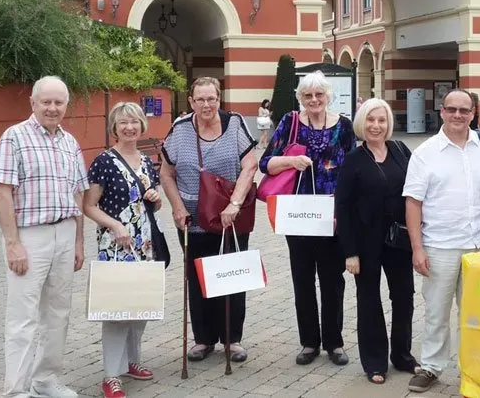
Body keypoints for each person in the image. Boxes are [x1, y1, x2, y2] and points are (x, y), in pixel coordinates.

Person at [0, 76, 88, 398]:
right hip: (30, 237)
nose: (52, 108)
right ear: (33, 103)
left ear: (66, 105)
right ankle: (16, 389)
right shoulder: (14, 137)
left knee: (58, 314)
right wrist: (12, 244)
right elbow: (3, 192)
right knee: (23, 318)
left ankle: (45, 380)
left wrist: (78, 242)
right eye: (45, 102)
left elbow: (78, 196)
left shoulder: (70, 142)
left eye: (58, 102)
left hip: (65, 232)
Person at [402, 88, 480, 393]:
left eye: (465, 110)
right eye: (452, 109)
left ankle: (475, 368)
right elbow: (413, 202)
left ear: (474, 113)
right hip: (440, 246)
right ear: (442, 111)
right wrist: (417, 248)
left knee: (478, 313)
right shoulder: (426, 152)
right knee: (437, 311)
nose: (458, 115)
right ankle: (432, 366)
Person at [260, 71, 357, 366]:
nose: (314, 100)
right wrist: (291, 161)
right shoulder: (289, 124)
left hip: (332, 215)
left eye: (319, 95)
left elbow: (353, 167)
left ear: (328, 96)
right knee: (302, 279)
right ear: (300, 98)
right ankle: (309, 343)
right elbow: (266, 163)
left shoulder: (344, 126)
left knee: (332, 280)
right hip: (297, 214)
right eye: (307, 96)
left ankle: (334, 342)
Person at [159, 77, 258, 363]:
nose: (206, 105)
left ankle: (232, 339)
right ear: (191, 102)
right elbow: (166, 173)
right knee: (198, 275)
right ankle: (203, 339)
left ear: (219, 99)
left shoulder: (234, 123)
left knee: (231, 274)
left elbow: (249, 165)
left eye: (211, 99)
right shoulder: (180, 130)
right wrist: (177, 207)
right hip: (192, 217)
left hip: (230, 216)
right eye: (200, 99)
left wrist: (235, 203)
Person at [83, 102, 165, 398]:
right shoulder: (104, 161)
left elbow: (153, 205)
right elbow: (89, 206)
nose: (129, 127)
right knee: (116, 309)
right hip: (115, 245)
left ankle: (132, 361)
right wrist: (116, 226)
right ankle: (110, 375)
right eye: (123, 123)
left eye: (134, 122)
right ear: (114, 128)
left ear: (142, 125)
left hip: (143, 243)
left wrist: (156, 199)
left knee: (139, 306)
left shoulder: (145, 160)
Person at [335, 99, 419, 385]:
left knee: (404, 297)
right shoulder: (353, 160)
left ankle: (402, 355)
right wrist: (350, 253)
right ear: (362, 122)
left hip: (399, 239)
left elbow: (415, 192)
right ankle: (374, 362)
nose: (376, 126)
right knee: (369, 301)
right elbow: (342, 208)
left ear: (388, 123)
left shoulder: (400, 151)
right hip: (365, 243)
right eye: (371, 120)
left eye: (381, 120)